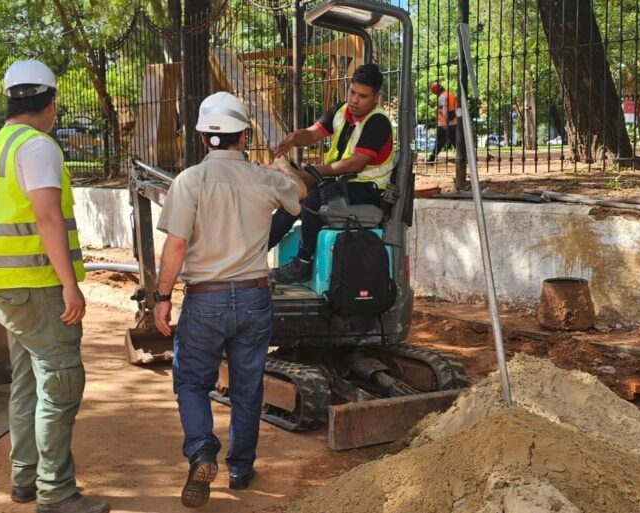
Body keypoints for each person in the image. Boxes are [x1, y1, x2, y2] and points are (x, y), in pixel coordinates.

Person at [153, 91, 305, 508]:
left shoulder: (189, 182)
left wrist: (162, 296)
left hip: (205, 300)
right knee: (247, 387)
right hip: (255, 298)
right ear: (244, 136)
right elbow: (300, 195)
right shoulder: (263, 178)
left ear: (204, 138)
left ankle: (203, 451)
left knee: (191, 381)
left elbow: (177, 245)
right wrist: (283, 167)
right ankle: (240, 468)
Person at [0, 59, 109, 513]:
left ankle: (25, 478)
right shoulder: (38, 147)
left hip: (6, 287)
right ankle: (55, 493)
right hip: (38, 285)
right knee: (60, 383)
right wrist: (70, 286)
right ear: (51, 103)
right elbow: (47, 217)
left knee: (27, 383)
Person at [268, 63, 396, 284]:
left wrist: (313, 172)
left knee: (312, 198)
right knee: (292, 196)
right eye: (352, 92)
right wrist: (294, 137)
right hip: (344, 185)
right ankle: (255, 251)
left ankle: (303, 262)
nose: (354, 100)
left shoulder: (377, 121)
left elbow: (357, 163)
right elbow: (313, 133)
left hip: (370, 191)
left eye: (363, 96)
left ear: (376, 97)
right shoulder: (341, 111)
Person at [426, 80, 457, 163]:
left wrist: (445, 122)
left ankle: (431, 159)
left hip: (444, 123)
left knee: (440, 142)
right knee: (455, 142)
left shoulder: (442, 97)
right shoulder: (450, 95)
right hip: (453, 122)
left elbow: (444, 109)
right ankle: (431, 158)